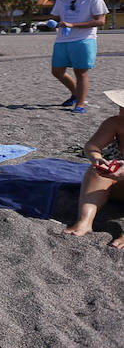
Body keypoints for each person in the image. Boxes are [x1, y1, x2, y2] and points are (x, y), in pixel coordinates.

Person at [63, 90, 124, 247]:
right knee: (97, 171)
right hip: (115, 185)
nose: (120, 110)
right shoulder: (116, 123)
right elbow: (92, 146)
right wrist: (97, 159)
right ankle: (84, 220)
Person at [50, 0, 109, 113]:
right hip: (62, 40)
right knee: (57, 71)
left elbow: (101, 21)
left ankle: (80, 105)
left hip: (84, 40)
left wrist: (73, 25)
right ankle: (76, 94)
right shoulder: (62, 1)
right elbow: (56, 17)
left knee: (81, 72)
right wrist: (54, 22)